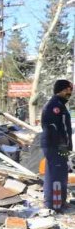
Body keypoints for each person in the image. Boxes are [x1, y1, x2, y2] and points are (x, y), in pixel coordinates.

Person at [40, 79, 73, 212]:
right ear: (63, 89)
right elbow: (54, 128)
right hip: (56, 146)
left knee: (60, 171)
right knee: (56, 173)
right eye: (70, 90)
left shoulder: (58, 104)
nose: (71, 93)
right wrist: (62, 145)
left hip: (59, 146)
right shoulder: (55, 106)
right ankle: (55, 204)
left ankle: (58, 201)